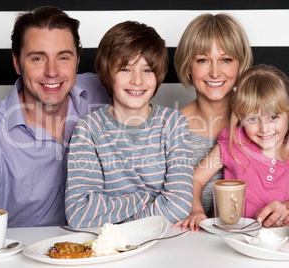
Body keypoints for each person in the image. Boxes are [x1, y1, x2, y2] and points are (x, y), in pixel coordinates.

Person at [0, 6, 109, 265]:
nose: (52, 72)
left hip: (109, 252)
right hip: (28, 260)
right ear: (17, 62)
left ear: (77, 59)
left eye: (63, 57)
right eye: (37, 58)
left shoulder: (107, 91)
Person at [172, 13, 289, 231]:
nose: (214, 72)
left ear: (240, 64)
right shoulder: (169, 127)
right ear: (188, 66)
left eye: (226, 60)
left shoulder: (265, 117)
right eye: (203, 60)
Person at [65, 21, 194, 228]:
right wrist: (145, 197)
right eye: (125, 69)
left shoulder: (173, 123)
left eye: (148, 70)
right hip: (110, 250)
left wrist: (115, 221)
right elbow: (80, 215)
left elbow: (179, 205)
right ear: (108, 73)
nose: (137, 80)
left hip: (163, 245)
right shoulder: (88, 129)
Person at [179, 64, 289, 231]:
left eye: (273, 117)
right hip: (229, 238)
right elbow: (195, 179)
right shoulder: (233, 144)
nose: (264, 128)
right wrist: (196, 211)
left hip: (274, 246)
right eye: (253, 119)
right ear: (241, 118)